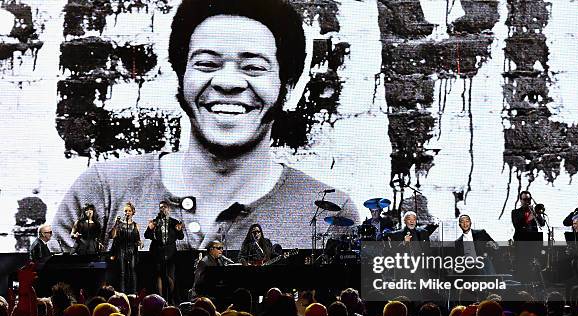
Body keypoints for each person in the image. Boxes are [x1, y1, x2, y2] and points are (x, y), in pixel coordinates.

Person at [52, 0, 359, 251]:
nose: (227, 82)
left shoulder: (330, 211)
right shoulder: (103, 192)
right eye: (207, 64)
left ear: (287, 87)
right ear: (180, 78)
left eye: (253, 67)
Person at [145, 200, 184, 302]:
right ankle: (161, 300)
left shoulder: (174, 222)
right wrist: (150, 229)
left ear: (169, 209)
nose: (163, 209)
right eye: (161, 207)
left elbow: (181, 237)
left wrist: (179, 230)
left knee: (170, 276)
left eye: (165, 207)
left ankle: (170, 298)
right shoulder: (155, 221)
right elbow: (147, 235)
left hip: (170, 253)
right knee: (159, 276)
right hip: (157, 253)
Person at [110, 202, 142, 294]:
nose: (127, 213)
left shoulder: (136, 225)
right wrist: (116, 223)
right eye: (125, 211)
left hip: (132, 250)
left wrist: (140, 243)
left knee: (132, 271)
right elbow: (112, 236)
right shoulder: (119, 224)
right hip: (121, 250)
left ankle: (134, 293)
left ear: (132, 212)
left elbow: (137, 239)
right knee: (122, 272)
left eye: (129, 211)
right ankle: (123, 293)